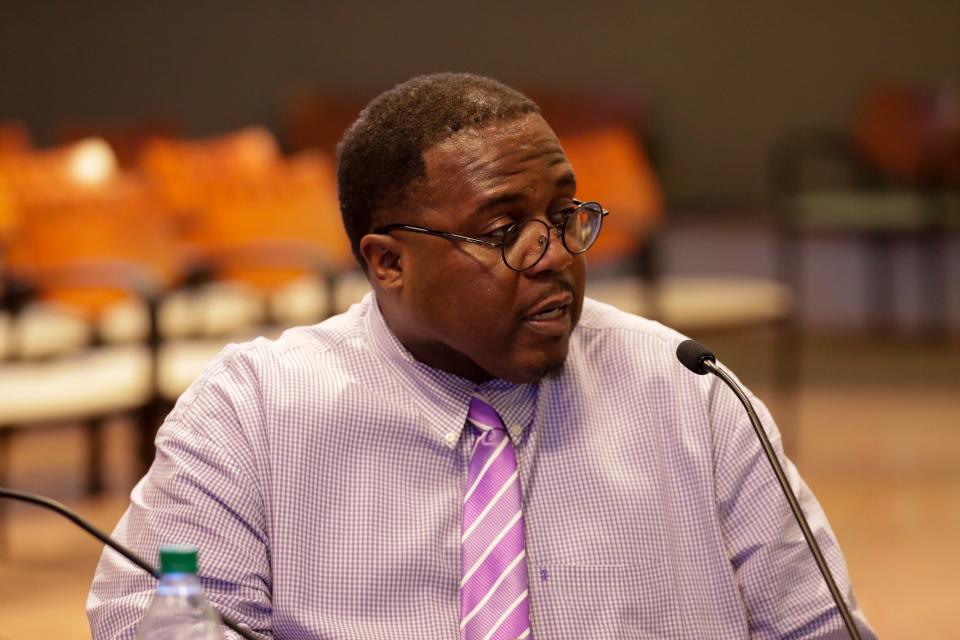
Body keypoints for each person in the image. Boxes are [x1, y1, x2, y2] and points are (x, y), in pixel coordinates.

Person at [88, 73, 875, 639]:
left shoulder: (688, 391)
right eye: (503, 232)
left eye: (565, 215)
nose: (554, 254)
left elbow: (818, 625)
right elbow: (147, 620)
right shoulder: (251, 411)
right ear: (387, 262)